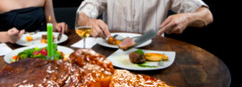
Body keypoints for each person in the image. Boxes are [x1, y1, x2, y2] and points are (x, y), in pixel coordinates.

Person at [77, 0, 213, 38]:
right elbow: (83, 14)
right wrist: (88, 21)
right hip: (113, 53)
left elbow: (207, 15)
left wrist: (188, 18)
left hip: (153, 54)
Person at [0, 0, 69, 44]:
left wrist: (57, 26)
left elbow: (51, 24)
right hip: (8, 52)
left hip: (40, 48)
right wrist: (7, 37)